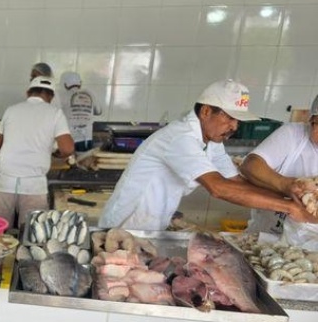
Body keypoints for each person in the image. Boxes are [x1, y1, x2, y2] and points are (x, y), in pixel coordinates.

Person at [99, 79, 316, 232]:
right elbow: (218, 188)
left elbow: (236, 182)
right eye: (229, 118)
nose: (234, 126)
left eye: (237, 121)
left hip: (150, 227)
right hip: (124, 226)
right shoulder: (181, 138)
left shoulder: (212, 141)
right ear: (205, 112)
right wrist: (289, 207)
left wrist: (294, 198)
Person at [0, 76, 74, 229]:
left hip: (5, 181)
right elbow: (67, 149)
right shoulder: (55, 113)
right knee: (31, 233)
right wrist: (57, 154)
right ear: (51, 96)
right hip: (33, 185)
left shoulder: (11, 110)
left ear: (28, 93)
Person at [240, 94, 318, 247]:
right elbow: (250, 166)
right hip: (269, 238)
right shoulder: (293, 135)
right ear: (311, 121)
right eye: (317, 124)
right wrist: (286, 185)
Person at [59, 71, 102, 152]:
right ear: (80, 83)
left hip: (71, 137)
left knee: (71, 158)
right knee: (85, 158)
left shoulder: (63, 95)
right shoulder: (90, 93)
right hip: (88, 138)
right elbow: (99, 111)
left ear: (65, 85)